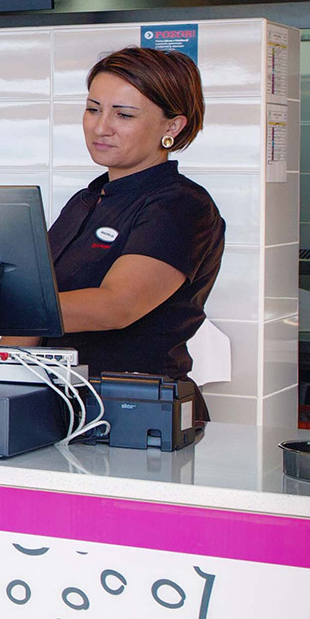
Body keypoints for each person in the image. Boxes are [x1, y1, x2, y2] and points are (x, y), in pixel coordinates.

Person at [46, 46, 224, 378]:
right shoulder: (85, 202)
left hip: (136, 408)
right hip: (58, 399)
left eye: (123, 115)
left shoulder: (181, 206)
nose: (101, 128)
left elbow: (116, 306)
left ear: (172, 127)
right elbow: (35, 302)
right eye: (93, 109)